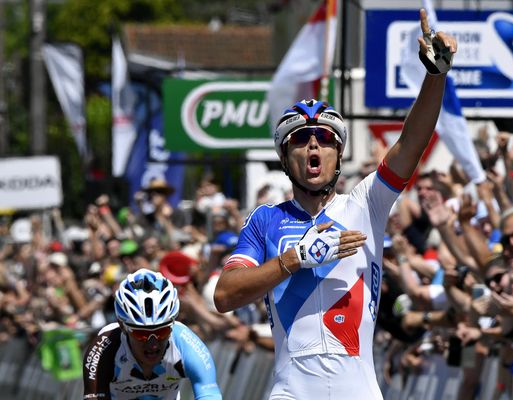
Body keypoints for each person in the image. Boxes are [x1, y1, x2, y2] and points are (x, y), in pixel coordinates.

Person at [213, 9, 456, 400]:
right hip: (291, 391)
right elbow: (225, 295)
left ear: (339, 156)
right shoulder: (265, 220)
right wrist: (293, 260)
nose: (313, 145)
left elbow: (410, 143)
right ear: (284, 158)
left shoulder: (365, 204)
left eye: (324, 138)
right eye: (301, 138)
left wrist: (435, 77)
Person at [82, 269, 222, 399]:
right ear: (122, 327)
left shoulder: (183, 342)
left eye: (162, 331)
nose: (153, 344)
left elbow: (209, 393)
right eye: (141, 334)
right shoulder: (105, 347)